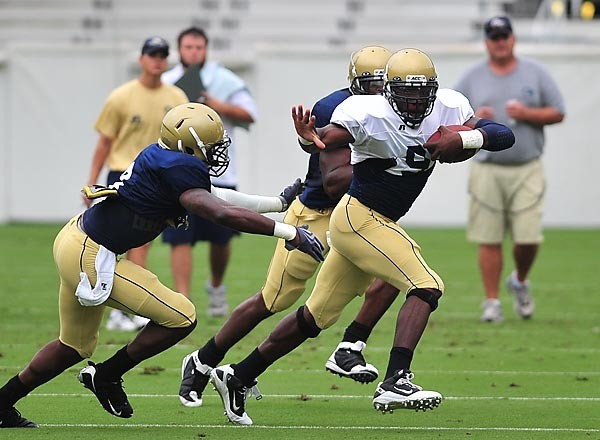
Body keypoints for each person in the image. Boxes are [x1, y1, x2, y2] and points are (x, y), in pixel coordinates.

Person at [207, 48, 515, 425]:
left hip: (375, 220)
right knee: (427, 285)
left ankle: (237, 375)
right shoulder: (368, 112)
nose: (416, 102)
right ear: (389, 91)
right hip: (358, 218)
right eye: (407, 93)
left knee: (313, 318)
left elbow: (503, 134)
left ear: (435, 91)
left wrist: (466, 140)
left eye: (423, 93)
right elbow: (328, 138)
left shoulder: (449, 107)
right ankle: (396, 379)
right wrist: (310, 137)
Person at [0, 103, 323, 429]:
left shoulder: (165, 158)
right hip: (91, 254)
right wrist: (289, 232)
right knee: (182, 317)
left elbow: (215, 196)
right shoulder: (179, 168)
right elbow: (219, 213)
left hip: (76, 239)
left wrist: (277, 204)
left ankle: (2, 403)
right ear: (188, 146)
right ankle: (108, 375)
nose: (217, 153)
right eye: (210, 147)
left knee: (74, 346)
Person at [177, 46, 399, 408]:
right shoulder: (336, 109)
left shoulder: (397, 109)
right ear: (357, 84)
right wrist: (395, 161)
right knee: (273, 300)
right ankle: (203, 360)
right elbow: (333, 182)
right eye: (372, 84)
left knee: (398, 271)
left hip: (359, 212)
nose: (380, 93)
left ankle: (350, 345)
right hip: (317, 214)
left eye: (384, 85)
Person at [454, 16, 565, 323]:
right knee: (488, 237)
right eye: (494, 37)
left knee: (528, 238)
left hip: (527, 165)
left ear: (513, 38)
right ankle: (491, 302)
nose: (500, 41)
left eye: (504, 35)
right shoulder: (472, 77)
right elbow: (446, 119)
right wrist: (475, 118)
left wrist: (527, 113)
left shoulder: (536, 72)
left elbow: (558, 111)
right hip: (487, 167)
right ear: (487, 42)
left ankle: (519, 280)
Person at [83, 36, 189, 331]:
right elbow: (105, 141)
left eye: (162, 55)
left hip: (158, 180)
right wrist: (91, 180)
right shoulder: (121, 96)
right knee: (111, 243)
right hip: (122, 175)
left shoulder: (177, 97)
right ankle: (119, 307)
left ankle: (130, 304)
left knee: (141, 242)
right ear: (142, 59)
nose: (158, 59)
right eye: (152, 54)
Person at [162, 27, 258, 316]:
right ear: (179, 49)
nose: (193, 52)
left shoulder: (224, 79)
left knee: (221, 238)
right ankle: (183, 300)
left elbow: (249, 113)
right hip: (176, 173)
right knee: (179, 237)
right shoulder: (167, 82)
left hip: (218, 174)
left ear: (206, 49)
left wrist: (215, 105)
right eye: (188, 47)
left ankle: (216, 286)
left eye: (199, 47)